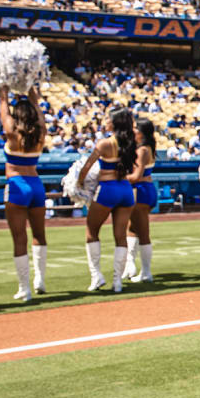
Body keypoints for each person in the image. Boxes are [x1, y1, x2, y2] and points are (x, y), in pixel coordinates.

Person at [77, 107, 137, 293]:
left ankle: (96, 276)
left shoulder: (104, 144)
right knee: (120, 236)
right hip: (126, 190)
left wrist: (79, 183)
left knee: (91, 230)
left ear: (115, 123)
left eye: (108, 119)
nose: (105, 121)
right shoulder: (131, 142)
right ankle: (117, 281)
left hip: (107, 189)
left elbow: (87, 166)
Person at [0, 85, 47, 301]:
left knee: (19, 238)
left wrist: (3, 92)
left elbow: (3, 109)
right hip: (36, 184)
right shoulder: (41, 132)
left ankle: (24, 288)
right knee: (39, 234)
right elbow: (37, 109)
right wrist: (31, 92)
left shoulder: (11, 133)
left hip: (17, 184)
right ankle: (40, 280)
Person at [123, 117, 158, 283]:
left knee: (143, 231)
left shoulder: (143, 150)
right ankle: (130, 266)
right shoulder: (144, 148)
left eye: (136, 128)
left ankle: (146, 272)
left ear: (142, 132)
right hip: (144, 190)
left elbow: (137, 176)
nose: (133, 131)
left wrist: (118, 177)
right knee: (132, 228)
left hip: (141, 191)